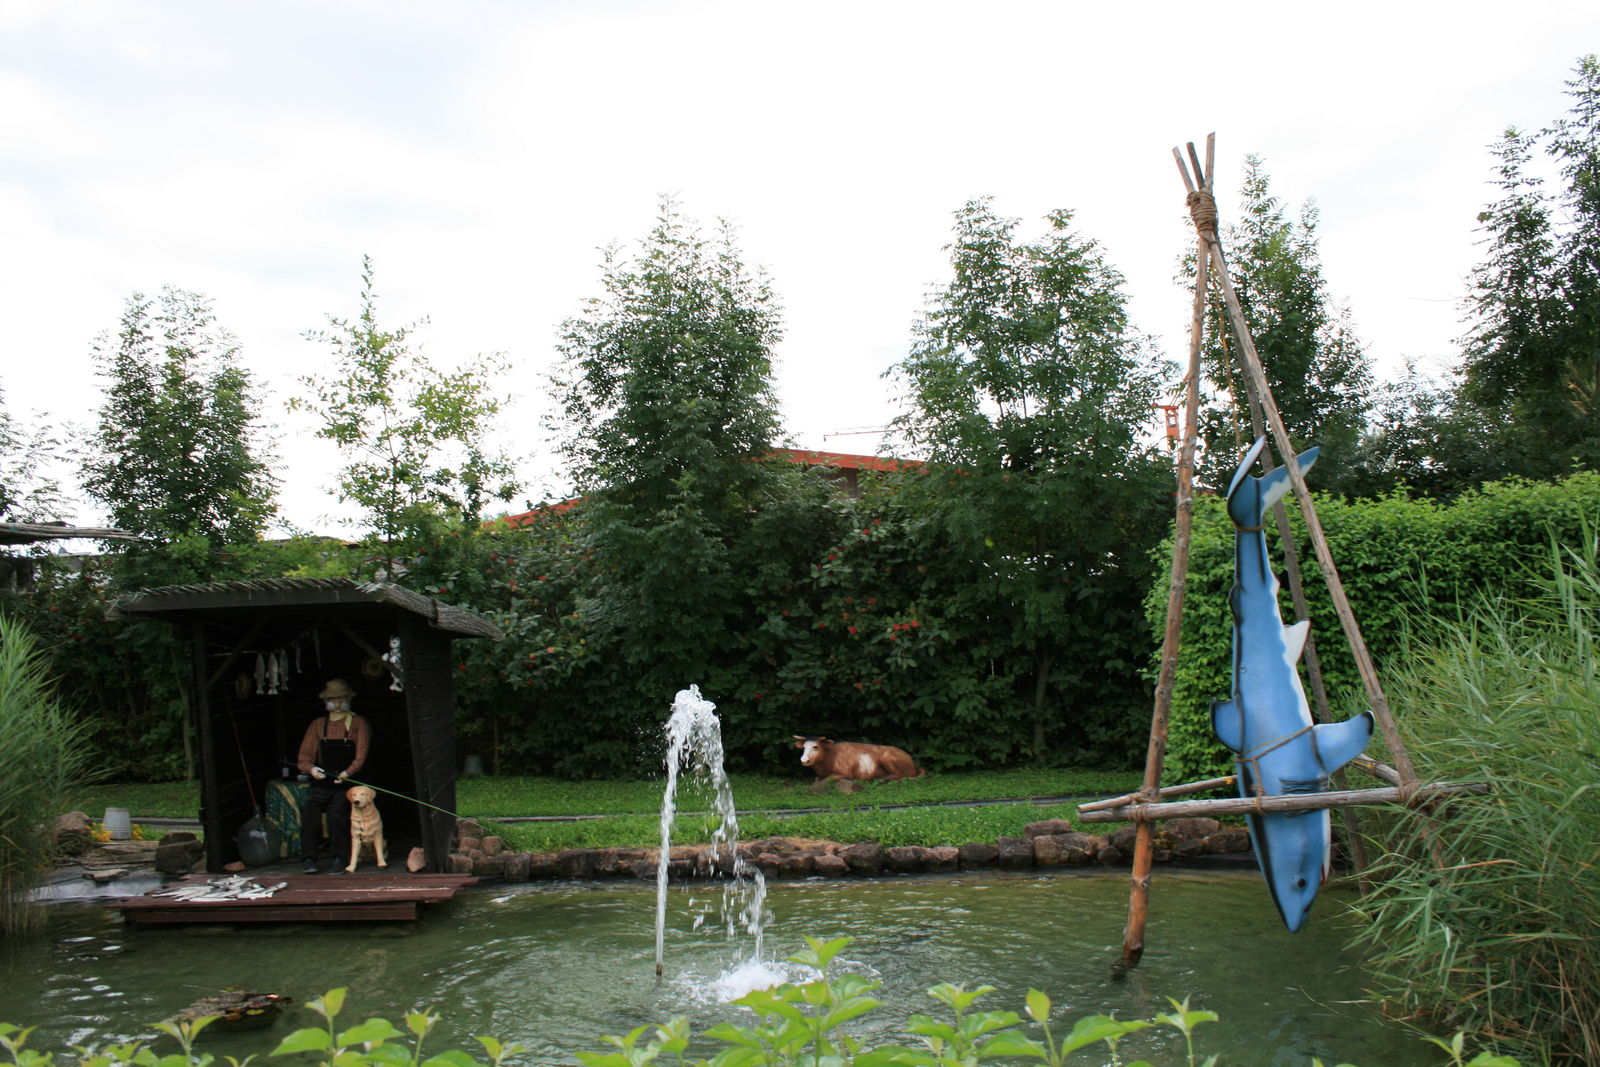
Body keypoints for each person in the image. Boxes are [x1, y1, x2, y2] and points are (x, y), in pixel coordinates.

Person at [296, 678, 371, 874]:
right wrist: (312, 770)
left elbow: (361, 757)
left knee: (338, 811)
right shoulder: (318, 725)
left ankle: (340, 857)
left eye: (341, 699)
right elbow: (304, 757)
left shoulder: (358, 723)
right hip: (324, 783)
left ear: (348, 699)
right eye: (333, 699)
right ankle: (309, 858)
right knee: (310, 809)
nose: (337, 704)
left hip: (348, 784)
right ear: (326, 701)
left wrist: (347, 773)